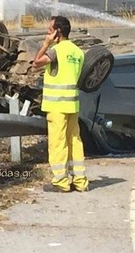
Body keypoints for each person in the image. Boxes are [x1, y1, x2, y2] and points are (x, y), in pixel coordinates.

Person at [32, 15, 89, 193]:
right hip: (72, 105)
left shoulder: (56, 50)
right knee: (75, 141)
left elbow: (36, 63)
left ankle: (61, 182)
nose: (47, 33)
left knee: (58, 143)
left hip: (57, 106)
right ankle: (80, 181)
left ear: (58, 32)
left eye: (50, 30)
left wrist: (46, 44)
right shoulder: (78, 52)